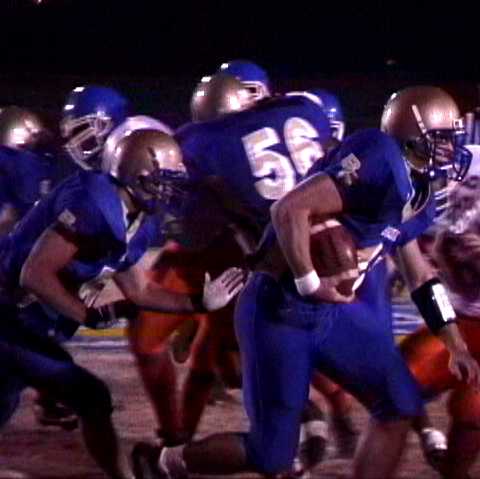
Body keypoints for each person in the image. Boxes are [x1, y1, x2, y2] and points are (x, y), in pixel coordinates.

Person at [131, 85, 480, 479]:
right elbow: (289, 208)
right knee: (271, 457)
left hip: (331, 313)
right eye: (441, 140)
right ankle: (166, 462)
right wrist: (310, 280)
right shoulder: (378, 155)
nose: (450, 150)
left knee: (400, 403)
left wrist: (454, 343)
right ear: (410, 135)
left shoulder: (421, 196)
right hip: (279, 310)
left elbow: (420, 275)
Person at [0, 128, 244, 478]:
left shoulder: (136, 220)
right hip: (10, 317)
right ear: (137, 175)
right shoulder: (94, 203)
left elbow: (140, 291)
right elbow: (35, 274)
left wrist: (197, 302)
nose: (170, 190)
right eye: (164, 181)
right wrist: (87, 314)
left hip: (26, 324)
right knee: (92, 398)